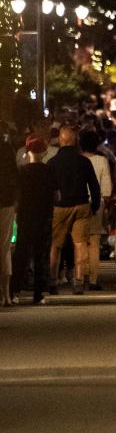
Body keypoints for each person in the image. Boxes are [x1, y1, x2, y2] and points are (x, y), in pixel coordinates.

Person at [47, 126, 101, 296]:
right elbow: (94, 186)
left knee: (55, 245)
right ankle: (78, 281)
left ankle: (53, 281)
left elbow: (48, 188)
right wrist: (95, 206)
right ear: (75, 141)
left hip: (60, 207)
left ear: (61, 141)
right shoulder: (84, 161)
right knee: (80, 244)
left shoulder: (52, 163)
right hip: (81, 206)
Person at [11, 137, 58, 305]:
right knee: (41, 255)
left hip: (25, 216)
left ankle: (14, 290)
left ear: (27, 151)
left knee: (21, 255)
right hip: (44, 216)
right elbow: (56, 195)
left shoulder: (22, 172)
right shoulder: (49, 171)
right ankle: (38, 294)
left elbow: (17, 196)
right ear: (44, 152)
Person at [79, 129, 112, 291]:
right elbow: (106, 189)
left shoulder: (77, 160)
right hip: (96, 204)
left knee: (80, 243)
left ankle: (81, 276)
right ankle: (93, 280)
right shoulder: (102, 161)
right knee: (94, 243)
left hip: (78, 203)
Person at [0, 126, 18, 306]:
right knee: (4, 247)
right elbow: (14, 174)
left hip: (6, 200)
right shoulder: (6, 149)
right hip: (5, 200)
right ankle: (5, 293)